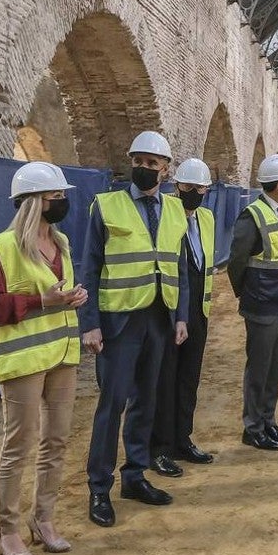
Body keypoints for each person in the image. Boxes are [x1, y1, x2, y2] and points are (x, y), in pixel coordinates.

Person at [80, 131, 189, 528]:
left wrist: (181, 316)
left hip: (159, 319)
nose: (143, 168)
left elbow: (179, 268)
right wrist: (89, 324)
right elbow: (88, 269)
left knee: (147, 401)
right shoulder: (106, 206)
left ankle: (135, 476)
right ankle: (98, 487)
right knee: (113, 405)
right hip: (119, 323)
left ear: (166, 168)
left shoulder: (176, 211)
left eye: (150, 163)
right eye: (137, 161)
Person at [0, 161, 86, 555]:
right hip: (23, 361)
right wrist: (43, 300)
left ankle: (44, 521)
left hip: (61, 355)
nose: (61, 202)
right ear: (32, 203)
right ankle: (7, 531)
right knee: (18, 446)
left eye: (62, 196)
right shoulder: (4, 247)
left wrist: (74, 298)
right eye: (54, 196)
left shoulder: (62, 244)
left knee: (55, 441)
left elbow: (57, 294)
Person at [227, 153, 278, 451]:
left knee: (275, 367)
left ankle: (268, 421)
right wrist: (248, 294)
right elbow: (236, 261)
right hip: (262, 305)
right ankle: (253, 427)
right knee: (258, 368)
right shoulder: (253, 215)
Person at [149, 158, 217, 478]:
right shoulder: (165, 214)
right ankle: (160, 448)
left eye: (200, 188)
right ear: (176, 187)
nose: (194, 193)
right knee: (165, 381)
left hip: (198, 312)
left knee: (189, 378)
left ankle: (182, 439)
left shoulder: (207, 218)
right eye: (188, 187)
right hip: (170, 311)